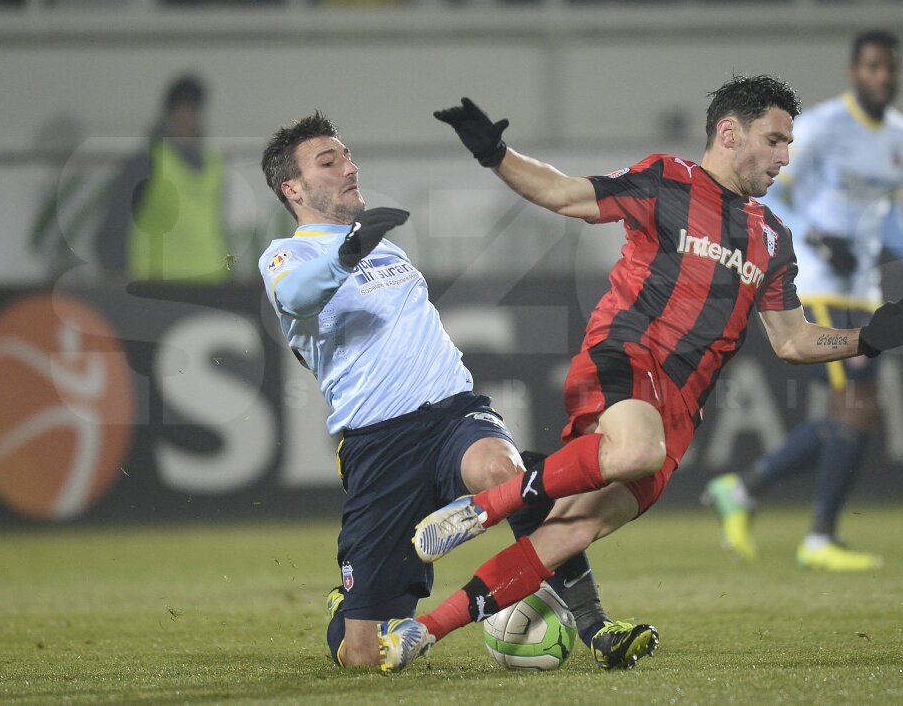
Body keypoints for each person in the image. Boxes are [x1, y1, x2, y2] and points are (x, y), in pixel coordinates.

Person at [376, 77, 903, 672]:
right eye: (774, 141)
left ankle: (421, 631)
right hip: (626, 358)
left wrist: (863, 339)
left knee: (569, 531)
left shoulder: (773, 237)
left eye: (789, 144)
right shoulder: (668, 180)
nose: (785, 157)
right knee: (636, 449)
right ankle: (489, 507)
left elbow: (791, 339)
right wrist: (495, 155)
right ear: (729, 132)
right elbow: (566, 195)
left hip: (680, 411)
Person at [256, 112, 652, 669]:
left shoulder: (388, 251)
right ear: (291, 188)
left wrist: (362, 248)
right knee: (364, 659)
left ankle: (594, 624)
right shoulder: (285, 255)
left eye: (347, 155)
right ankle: (352, 605)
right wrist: (346, 253)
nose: (350, 167)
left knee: (504, 472)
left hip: (451, 416)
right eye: (330, 162)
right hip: (378, 446)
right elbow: (297, 296)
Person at [704, 30, 903, 572]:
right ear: (856, 71)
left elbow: (885, 211)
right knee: (856, 407)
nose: (882, 77)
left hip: (862, 289)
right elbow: (775, 191)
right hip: (816, 284)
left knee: (859, 411)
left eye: (890, 68)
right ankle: (818, 536)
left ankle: (746, 487)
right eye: (872, 67)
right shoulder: (822, 126)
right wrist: (820, 238)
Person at [95, 73, 230, 282]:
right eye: (181, 110)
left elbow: (217, 228)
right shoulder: (145, 164)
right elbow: (114, 226)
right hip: (158, 286)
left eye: (192, 110)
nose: (187, 119)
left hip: (209, 284)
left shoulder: (215, 165)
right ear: (168, 115)